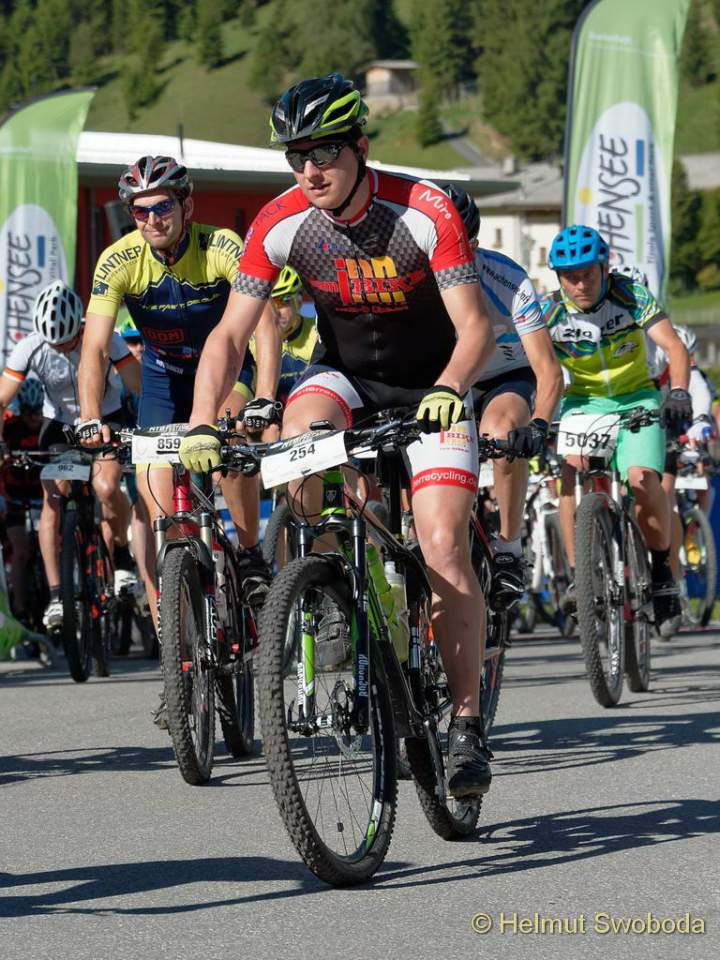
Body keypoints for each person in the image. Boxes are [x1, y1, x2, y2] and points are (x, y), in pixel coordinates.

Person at [178, 73, 501, 799]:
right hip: (347, 376)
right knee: (300, 444)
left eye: (323, 152)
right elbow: (230, 334)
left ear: (361, 146)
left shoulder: (423, 210)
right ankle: (332, 587)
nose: (310, 170)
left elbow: (477, 328)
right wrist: (201, 420)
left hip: (433, 386)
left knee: (443, 545)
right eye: (296, 157)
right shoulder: (281, 221)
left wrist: (451, 388)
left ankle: (466, 724)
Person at [78, 156, 280, 619]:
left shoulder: (221, 245)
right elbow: (94, 347)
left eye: (163, 207)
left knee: (230, 439)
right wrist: (89, 414)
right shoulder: (118, 259)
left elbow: (265, 324)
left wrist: (265, 395)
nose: (152, 219)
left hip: (226, 371)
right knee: (158, 504)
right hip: (163, 378)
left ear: (187, 206)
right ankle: (182, 636)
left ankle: (250, 552)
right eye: (140, 210)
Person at [541, 227, 692, 634]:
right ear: (558, 277)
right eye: (570, 276)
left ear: (604, 268)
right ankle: (580, 576)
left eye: (588, 274)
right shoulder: (549, 311)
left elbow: (674, 347)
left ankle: (661, 573)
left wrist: (679, 392)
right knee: (571, 471)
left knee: (642, 480)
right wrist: (535, 419)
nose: (580, 284)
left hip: (636, 398)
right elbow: (535, 367)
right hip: (583, 403)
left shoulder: (630, 294)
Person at [444, 186, 563, 605]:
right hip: (444, 383)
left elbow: (548, 370)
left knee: (503, 433)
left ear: (474, 244)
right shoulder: (409, 279)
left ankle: (509, 547)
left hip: (503, 377)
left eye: (456, 246)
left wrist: (539, 424)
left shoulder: (507, 279)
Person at [0, 280, 140, 627]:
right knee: (53, 497)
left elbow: (136, 383)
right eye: (55, 343)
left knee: (107, 487)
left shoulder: (104, 335)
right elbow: (2, 398)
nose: (62, 349)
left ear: (79, 326)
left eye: (68, 341)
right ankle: (56, 596)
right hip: (60, 424)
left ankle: (122, 557)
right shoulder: (30, 347)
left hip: (106, 417)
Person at [0, 378, 44, 628]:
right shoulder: (10, 428)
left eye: (38, 411)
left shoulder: (47, 429)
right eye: (29, 412)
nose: (34, 417)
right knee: (21, 551)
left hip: (42, 498)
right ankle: (19, 607)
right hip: (14, 499)